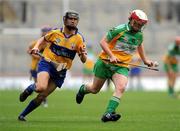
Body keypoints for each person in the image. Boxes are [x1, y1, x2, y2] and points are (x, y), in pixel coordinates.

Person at [76, 9, 158, 122]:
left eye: (141, 25)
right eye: (138, 24)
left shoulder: (139, 34)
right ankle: (82, 90)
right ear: (132, 21)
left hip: (121, 66)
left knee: (121, 87)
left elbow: (139, 45)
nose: (139, 27)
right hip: (105, 63)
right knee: (94, 89)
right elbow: (103, 42)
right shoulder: (119, 29)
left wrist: (145, 60)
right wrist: (111, 55)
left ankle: (108, 113)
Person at [18, 10, 87, 121]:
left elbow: (84, 60)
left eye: (75, 20)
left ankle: (22, 115)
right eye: (71, 19)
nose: (73, 21)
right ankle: (30, 88)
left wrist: (83, 54)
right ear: (65, 20)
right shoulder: (55, 32)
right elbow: (42, 39)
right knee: (41, 87)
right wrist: (36, 47)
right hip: (47, 63)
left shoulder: (79, 39)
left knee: (42, 96)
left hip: (61, 70)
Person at [27, 26, 52, 107]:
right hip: (35, 67)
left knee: (43, 86)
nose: (46, 33)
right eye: (45, 31)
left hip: (45, 67)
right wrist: (36, 56)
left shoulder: (50, 43)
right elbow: (29, 49)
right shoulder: (37, 42)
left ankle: (43, 100)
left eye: (47, 31)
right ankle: (42, 100)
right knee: (38, 85)